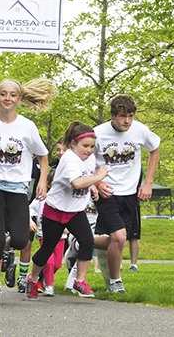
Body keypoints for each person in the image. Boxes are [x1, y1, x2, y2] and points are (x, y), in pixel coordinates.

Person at [0, 78, 55, 305]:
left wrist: (42, 181)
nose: (7, 98)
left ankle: (8, 252)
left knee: (19, 238)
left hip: (18, 189)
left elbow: (43, 156)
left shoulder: (27, 127)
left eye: (12, 95)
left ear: (19, 99)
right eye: (3, 94)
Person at [26, 122, 107, 299]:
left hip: (76, 211)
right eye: (85, 146)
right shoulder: (69, 159)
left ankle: (80, 281)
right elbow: (77, 183)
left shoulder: (89, 158)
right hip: (55, 210)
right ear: (73, 144)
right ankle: (32, 279)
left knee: (87, 241)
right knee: (47, 248)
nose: (89, 150)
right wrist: (99, 177)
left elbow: (88, 174)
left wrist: (96, 186)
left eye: (92, 146)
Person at [93, 94, 160, 292]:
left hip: (130, 193)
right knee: (120, 237)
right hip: (106, 191)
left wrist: (148, 181)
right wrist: (96, 183)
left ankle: (81, 242)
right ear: (113, 116)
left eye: (130, 116)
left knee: (116, 240)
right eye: (123, 116)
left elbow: (154, 149)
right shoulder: (98, 133)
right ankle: (115, 281)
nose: (127, 121)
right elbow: (86, 160)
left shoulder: (139, 130)